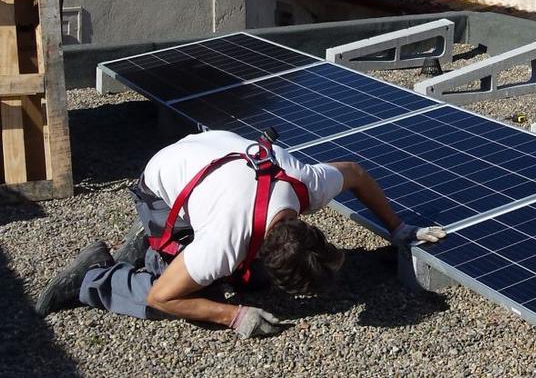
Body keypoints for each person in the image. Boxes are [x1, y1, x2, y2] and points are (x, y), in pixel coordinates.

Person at [36, 130, 446, 338]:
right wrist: (233, 316)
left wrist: (399, 229)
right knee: (194, 298)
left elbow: (355, 173)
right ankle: (95, 277)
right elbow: (164, 297)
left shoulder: (305, 185)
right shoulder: (224, 242)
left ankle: (153, 245)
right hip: (160, 183)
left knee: (246, 282)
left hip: (204, 161)